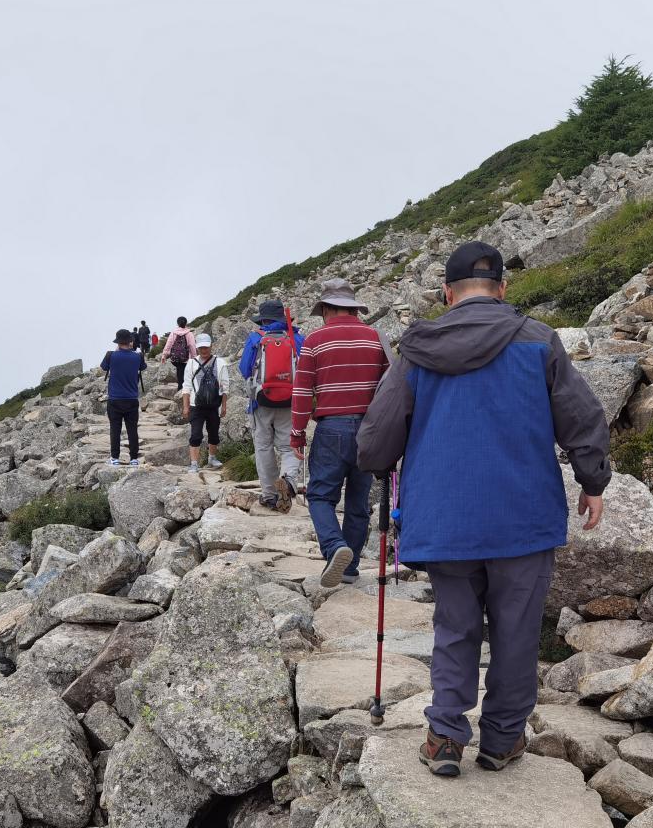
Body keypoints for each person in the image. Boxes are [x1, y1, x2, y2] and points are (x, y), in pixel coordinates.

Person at [357, 241, 610, 778]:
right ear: (503, 287)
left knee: (455, 625)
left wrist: (376, 463)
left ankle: (445, 736)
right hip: (524, 517)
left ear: (447, 293)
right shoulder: (539, 341)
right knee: (517, 631)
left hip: (446, 519)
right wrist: (593, 481)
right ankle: (502, 739)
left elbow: (377, 439)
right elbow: (581, 417)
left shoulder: (416, 350)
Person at [290, 278, 389, 587]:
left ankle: (335, 547)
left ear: (327, 309)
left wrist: (297, 435)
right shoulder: (376, 338)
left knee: (320, 495)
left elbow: (303, 391)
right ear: (352, 308)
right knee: (358, 503)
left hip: (331, 427)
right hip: (369, 429)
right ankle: (349, 568)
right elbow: (390, 390)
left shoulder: (314, 340)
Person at [240, 299, 305, 512]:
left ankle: (269, 495)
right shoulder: (296, 339)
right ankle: (288, 480)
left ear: (263, 319)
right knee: (288, 446)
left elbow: (244, 369)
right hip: (290, 401)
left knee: (264, 446)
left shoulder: (256, 339)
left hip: (261, 401)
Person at [181, 332, 230, 473]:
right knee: (196, 434)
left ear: (211, 346)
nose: (204, 350)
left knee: (214, 433)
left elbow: (225, 386)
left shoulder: (220, 363)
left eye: (206, 347)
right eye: (201, 347)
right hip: (196, 405)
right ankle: (194, 463)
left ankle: (212, 458)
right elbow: (186, 386)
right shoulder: (191, 364)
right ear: (197, 348)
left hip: (214, 405)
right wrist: (185, 406)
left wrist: (224, 406)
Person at [100, 328, 147, 467]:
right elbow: (143, 367)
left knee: (115, 429)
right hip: (132, 399)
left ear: (118, 342)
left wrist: (117, 350)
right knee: (132, 429)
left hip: (115, 399)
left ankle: (115, 457)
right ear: (131, 341)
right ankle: (134, 458)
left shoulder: (111, 355)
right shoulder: (138, 357)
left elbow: (103, 368)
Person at [161, 317, 197, 390]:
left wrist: (164, 355)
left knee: (179, 370)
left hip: (175, 358)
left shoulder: (173, 333)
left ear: (177, 323)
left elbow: (168, 344)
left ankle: (180, 386)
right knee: (184, 371)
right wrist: (194, 357)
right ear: (186, 323)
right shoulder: (189, 333)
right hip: (186, 358)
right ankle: (183, 388)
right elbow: (192, 346)